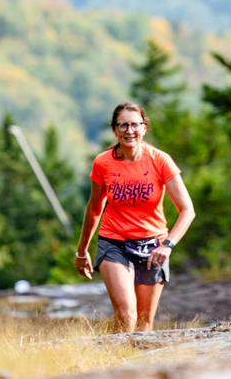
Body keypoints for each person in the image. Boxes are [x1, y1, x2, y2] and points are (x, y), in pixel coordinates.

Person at [75, 102, 195, 332]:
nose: (129, 131)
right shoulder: (103, 162)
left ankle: (136, 367)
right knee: (126, 315)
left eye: (134, 125)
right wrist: (82, 251)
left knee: (144, 323)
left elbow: (187, 210)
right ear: (115, 130)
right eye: (123, 125)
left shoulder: (160, 160)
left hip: (153, 246)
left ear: (144, 127)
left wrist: (168, 245)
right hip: (114, 243)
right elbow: (94, 209)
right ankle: (114, 363)